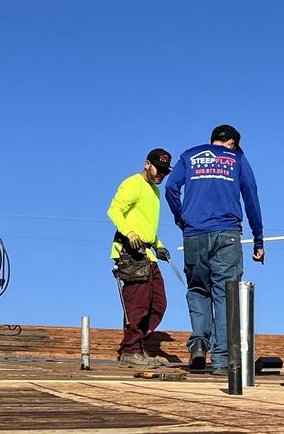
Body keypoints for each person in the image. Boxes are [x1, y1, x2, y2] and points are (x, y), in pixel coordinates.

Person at [165, 124, 264, 373]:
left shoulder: (189, 156)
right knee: (226, 294)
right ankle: (221, 359)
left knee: (198, 289)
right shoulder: (237, 159)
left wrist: (181, 218)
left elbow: (170, 188)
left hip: (194, 234)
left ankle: (199, 344)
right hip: (226, 234)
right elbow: (251, 197)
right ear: (231, 143)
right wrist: (258, 239)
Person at [107, 148, 173, 367]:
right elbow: (114, 210)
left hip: (147, 253)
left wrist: (158, 246)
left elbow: (146, 226)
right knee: (138, 303)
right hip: (130, 252)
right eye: (158, 169)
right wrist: (129, 232)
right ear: (147, 164)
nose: (161, 174)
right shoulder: (132, 184)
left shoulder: (154, 191)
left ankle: (135, 345)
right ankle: (131, 351)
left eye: (165, 171)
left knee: (158, 303)